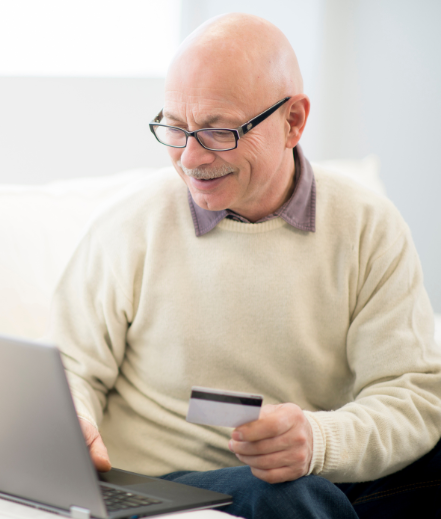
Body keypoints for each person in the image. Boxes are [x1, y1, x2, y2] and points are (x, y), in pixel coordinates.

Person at [50, 13, 441, 519]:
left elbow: (411, 394)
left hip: (317, 475)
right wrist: (72, 418)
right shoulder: (132, 226)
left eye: (218, 132)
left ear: (293, 122)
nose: (190, 158)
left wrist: (319, 441)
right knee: (289, 497)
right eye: (175, 128)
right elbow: (67, 365)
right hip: (170, 483)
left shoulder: (368, 227)